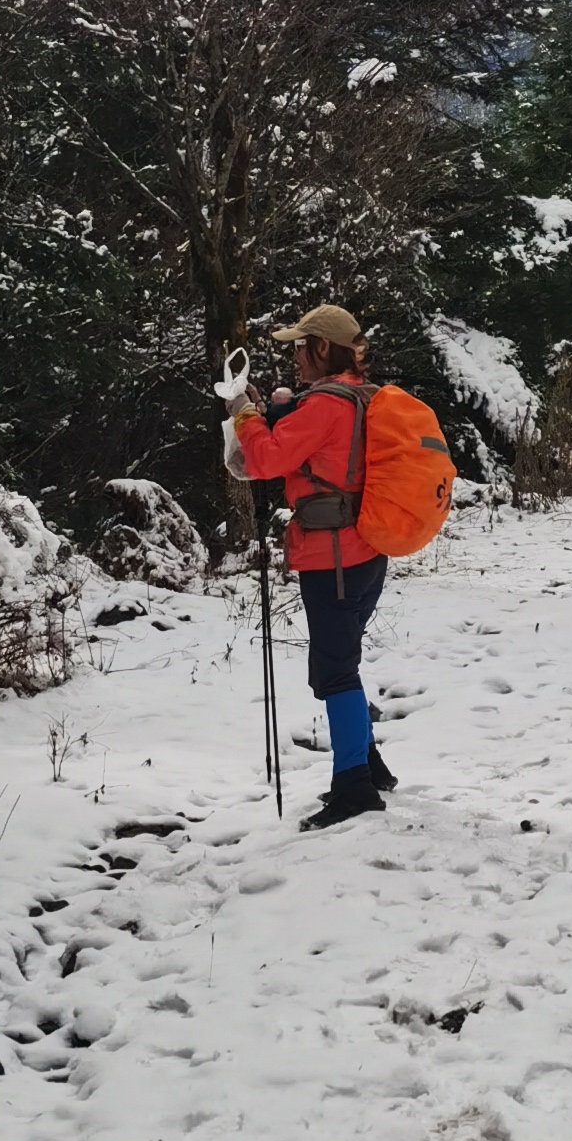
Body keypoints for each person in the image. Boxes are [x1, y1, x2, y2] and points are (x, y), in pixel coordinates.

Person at [229, 303, 399, 833]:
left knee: (335, 669)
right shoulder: (363, 397)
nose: (296, 356)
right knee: (339, 660)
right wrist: (272, 412)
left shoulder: (325, 404)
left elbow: (263, 461)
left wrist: (244, 414)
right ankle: (368, 764)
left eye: (302, 347)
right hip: (365, 550)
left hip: (333, 556)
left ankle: (354, 787)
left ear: (324, 348)